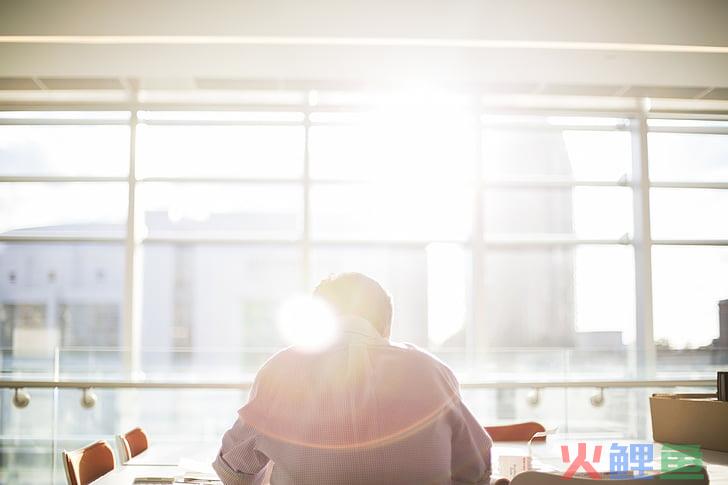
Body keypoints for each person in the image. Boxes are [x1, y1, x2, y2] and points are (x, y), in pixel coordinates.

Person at [213, 272, 492, 485]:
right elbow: (477, 469)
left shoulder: (282, 369)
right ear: (386, 325)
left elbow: (233, 470)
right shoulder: (432, 371)